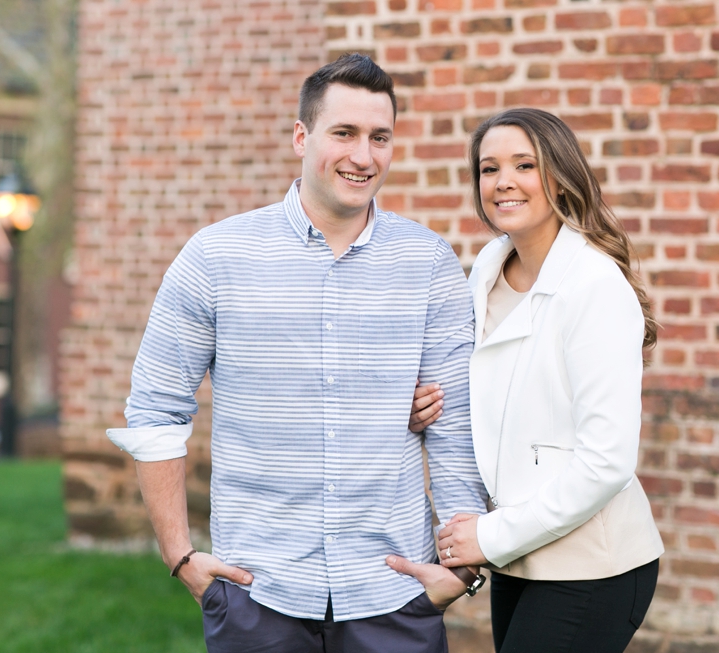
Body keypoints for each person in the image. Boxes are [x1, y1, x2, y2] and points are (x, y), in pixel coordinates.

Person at [106, 54, 489, 653]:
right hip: (256, 592)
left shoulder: (429, 263)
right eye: (344, 133)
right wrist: (180, 555)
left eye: (379, 137)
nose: (363, 156)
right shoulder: (216, 257)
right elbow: (156, 410)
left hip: (393, 591)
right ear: (300, 136)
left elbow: (456, 421)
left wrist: (459, 570)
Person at [407, 108, 665, 653]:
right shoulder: (487, 270)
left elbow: (608, 462)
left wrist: (489, 536)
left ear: (559, 176)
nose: (503, 182)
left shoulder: (593, 284)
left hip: (591, 564)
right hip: (520, 559)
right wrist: (428, 405)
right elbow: (495, 389)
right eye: (488, 168)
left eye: (524, 165)